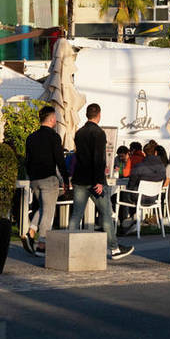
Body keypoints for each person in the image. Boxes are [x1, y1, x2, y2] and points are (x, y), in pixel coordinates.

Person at [68, 103, 132, 259]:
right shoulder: (99, 133)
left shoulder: (79, 133)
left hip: (79, 178)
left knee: (76, 215)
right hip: (95, 180)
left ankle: (68, 245)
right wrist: (98, 180)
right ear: (99, 114)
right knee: (106, 214)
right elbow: (99, 158)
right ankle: (114, 248)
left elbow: (79, 157)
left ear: (87, 115)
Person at [22, 105, 69, 255]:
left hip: (34, 179)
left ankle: (31, 232)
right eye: (55, 118)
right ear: (52, 119)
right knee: (48, 213)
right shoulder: (54, 137)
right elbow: (59, 160)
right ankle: (42, 245)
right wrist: (65, 180)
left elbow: (27, 160)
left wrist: (31, 175)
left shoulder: (31, 137)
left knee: (42, 208)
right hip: (49, 178)